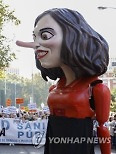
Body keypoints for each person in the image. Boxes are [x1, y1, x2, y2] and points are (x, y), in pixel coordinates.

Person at [16, 8, 110, 154]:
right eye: (35, 38)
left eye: (45, 35)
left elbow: (102, 127)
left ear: (73, 36)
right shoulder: (54, 88)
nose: (35, 44)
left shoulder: (97, 88)